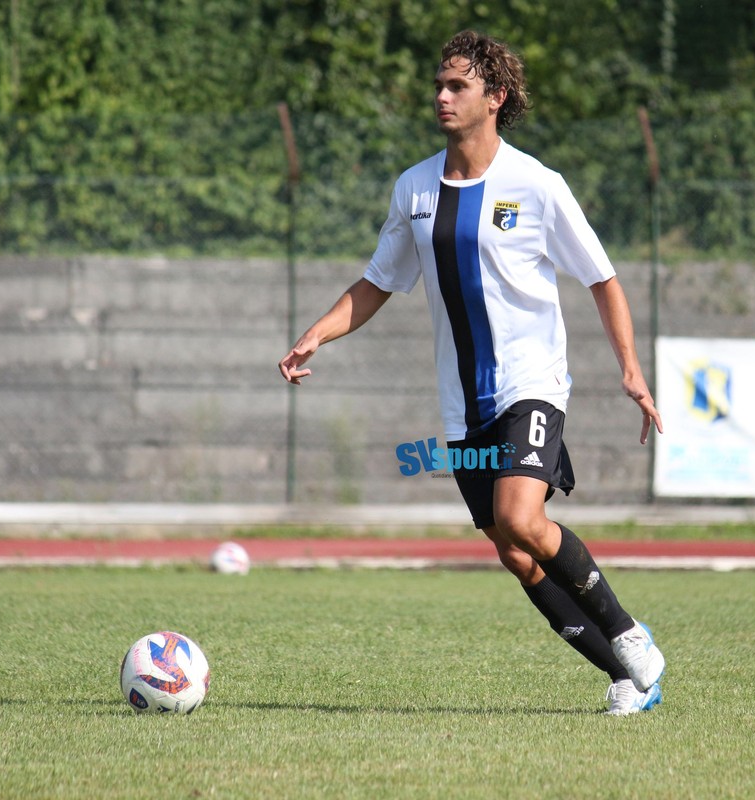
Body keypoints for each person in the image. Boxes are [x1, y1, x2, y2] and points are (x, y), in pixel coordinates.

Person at [278, 30, 666, 715]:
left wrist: (631, 370)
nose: (442, 96)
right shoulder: (414, 188)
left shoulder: (536, 185)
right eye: (438, 84)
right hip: (463, 404)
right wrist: (318, 333)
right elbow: (378, 281)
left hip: (531, 383)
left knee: (521, 517)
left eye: (458, 85)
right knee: (514, 553)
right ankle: (629, 679)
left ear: (496, 97)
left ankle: (629, 633)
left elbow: (602, 278)